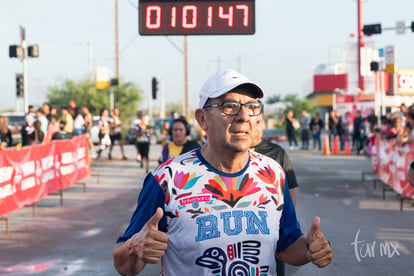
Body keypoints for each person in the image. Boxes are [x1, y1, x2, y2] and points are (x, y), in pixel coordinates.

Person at [113, 69, 332, 276]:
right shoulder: (166, 179)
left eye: (252, 106)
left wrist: (309, 249)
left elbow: (286, 245)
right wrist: (135, 247)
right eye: (229, 106)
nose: (244, 116)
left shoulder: (272, 173)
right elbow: (123, 264)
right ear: (202, 119)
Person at [252, 113, 300, 276]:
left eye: (258, 122)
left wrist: (286, 221)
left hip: (271, 231)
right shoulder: (232, 153)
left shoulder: (276, 153)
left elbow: (290, 190)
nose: (254, 127)